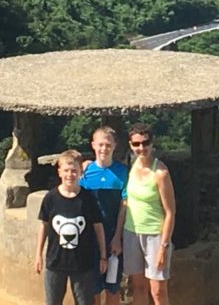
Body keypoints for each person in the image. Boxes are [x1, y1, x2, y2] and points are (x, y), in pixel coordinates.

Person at [35, 149, 108, 305]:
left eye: (74, 171)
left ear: (80, 172)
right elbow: (44, 226)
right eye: (66, 170)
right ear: (59, 172)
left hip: (83, 262)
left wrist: (103, 255)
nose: (70, 175)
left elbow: (98, 227)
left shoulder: (88, 198)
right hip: (55, 261)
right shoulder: (50, 198)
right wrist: (38, 255)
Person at [122, 123, 176, 305]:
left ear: (152, 144)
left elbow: (170, 212)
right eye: (136, 144)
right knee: (137, 287)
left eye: (145, 143)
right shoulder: (131, 164)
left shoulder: (160, 172)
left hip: (155, 235)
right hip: (131, 232)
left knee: (158, 291)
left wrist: (164, 246)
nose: (141, 148)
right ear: (130, 145)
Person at [79, 126, 128, 305]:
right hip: (90, 238)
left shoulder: (122, 172)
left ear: (115, 146)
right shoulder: (84, 172)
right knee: (92, 288)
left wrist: (117, 237)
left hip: (112, 235)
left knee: (112, 285)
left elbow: (124, 206)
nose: (104, 149)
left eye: (108, 144)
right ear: (93, 145)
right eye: (100, 144)